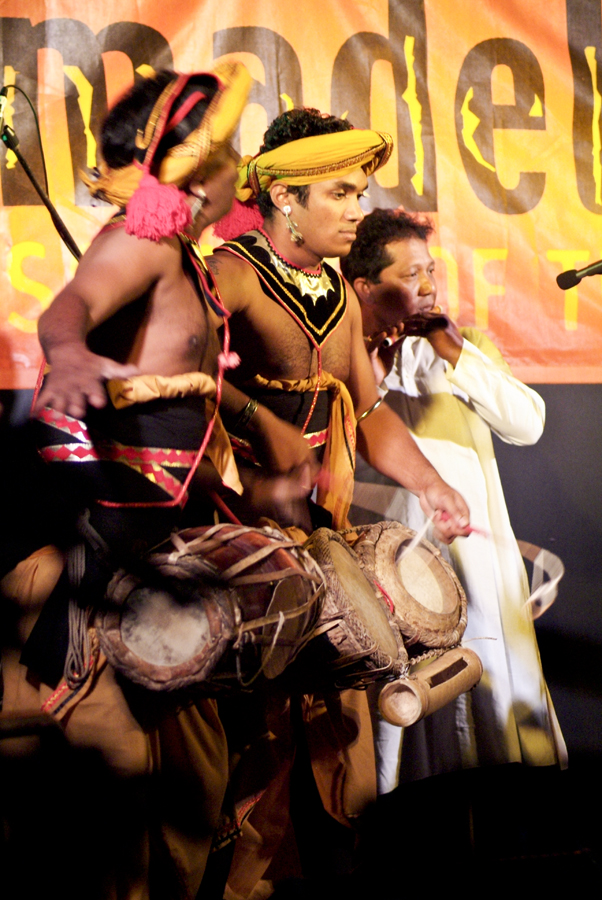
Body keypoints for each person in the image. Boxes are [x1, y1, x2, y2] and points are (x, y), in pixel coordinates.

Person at [202, 108, 472, 897]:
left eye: (362, 192)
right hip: (246, 542)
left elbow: (371, 408)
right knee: (257, 741)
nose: (360, 208)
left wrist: (430, 483)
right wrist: (257, 422)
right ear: (285, 197)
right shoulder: (231, 274)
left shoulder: (339, 295)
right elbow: (182, 372)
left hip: (327, 536)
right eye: (343, 192)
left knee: (341, 731)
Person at [2, 64, 256, 900]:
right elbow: (66, 308)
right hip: (111, 556)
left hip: (168, 553)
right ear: (187, 163)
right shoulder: (140, 243)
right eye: (227, 156)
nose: (238, 171)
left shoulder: (182, 253)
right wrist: (69, 353)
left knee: (191, 789)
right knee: (114, 798)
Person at [341, 207, 567, 793]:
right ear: (364, 287)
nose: (427, 286)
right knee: (407, 740)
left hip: (479, 580)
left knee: (494, 742)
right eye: (408, 274)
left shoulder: (457, 352)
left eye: (430, 270)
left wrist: (454, 350)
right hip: (394, 581)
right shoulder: (344, 366)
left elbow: (527, 423)